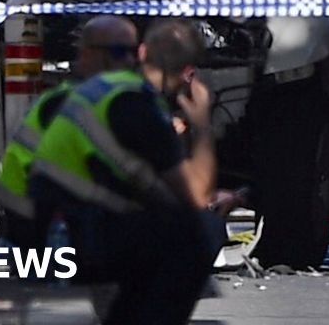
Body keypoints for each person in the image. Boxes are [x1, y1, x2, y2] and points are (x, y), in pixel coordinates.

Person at [29, 19, 222, 325]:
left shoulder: (110, 91)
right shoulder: (135, 105)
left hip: (43, 225)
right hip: (62, 239)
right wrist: (202, 125)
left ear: (142, 52)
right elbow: (197, 195)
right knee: (201, 231)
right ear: (189, 73)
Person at [0, 16, 139, 251]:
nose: (130, 61)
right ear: (88, 55)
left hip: (36, 212)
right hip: (39, 222)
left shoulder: (86, 96)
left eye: (132, 52)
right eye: (119, 52)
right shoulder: (73, 102)